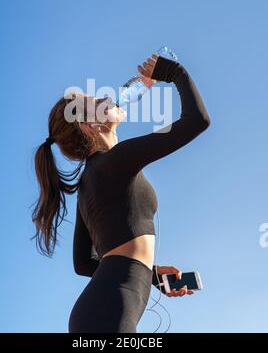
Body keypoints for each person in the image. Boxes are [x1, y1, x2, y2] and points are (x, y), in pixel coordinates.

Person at [32, 52, 211, 333]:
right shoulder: (114, 161)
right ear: (90, 126)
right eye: (98, 101)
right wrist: (175, 72)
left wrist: (151, 275)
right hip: (107, 314)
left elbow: (83, 263)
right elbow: (196, 121)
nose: (109, 98)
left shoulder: (90, 182)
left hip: (99, 311)